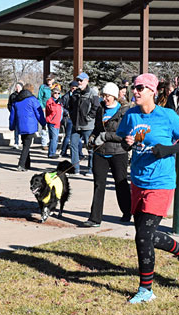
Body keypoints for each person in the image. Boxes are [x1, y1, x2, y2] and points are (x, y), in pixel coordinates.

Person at [116, 73, 179, 304]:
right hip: (138, 181)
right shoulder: (131, 115)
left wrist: (166, 150)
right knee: (144, 235)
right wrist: (127, 143)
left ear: (153, 91)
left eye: (141, 88)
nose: (136, 91)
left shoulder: (168, 116)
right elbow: (124, 140)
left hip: (161, 182)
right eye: (134, 87)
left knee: (143, 236)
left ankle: (146, 290)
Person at [82, 82, 132, 228]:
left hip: (118, 152)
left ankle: (127, 212)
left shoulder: (125, 112)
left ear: (115, 96)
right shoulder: (100, 109)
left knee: (120, 183)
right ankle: (95, 218)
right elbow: (97, 130)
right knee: (98, 184)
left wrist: (105, 136)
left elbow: (125, 135)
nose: (105, 99)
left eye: (108, 96)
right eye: (103, 96)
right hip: (100, 152)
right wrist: (91, 139)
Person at [68, 72, 100, 176]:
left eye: (81, 80)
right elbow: (71, 106)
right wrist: (72, 116)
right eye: (78, 80)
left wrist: (89, 117)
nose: (79, 82)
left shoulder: (92, 93)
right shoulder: (75, 93)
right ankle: (75, 169)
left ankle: (91, 169)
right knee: (73, 145)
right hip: (75, 125)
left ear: (87, 81)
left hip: (88, 125)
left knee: (90, 147)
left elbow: (96, 107)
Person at [9, 83, 45, 171]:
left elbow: (12, 116)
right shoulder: (32, 99)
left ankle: (26, 164)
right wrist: (43, 123)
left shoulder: (16, 101)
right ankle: (21, 165)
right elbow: (38, 112)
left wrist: (12, 126)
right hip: (30, 126)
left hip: (20, 126)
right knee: (26, 147)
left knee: (26, 145)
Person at [38, 73, 61, 150]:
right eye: (48, 79)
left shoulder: (57, 87)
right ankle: (44, 144)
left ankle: (52, 144)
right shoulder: (43, 87)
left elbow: (59, 98)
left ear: (53, 80)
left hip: (54, 111)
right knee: (45, 127)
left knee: (53, 128)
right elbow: (39, 98)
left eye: (50, 79)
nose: (49, 81)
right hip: (45, 110)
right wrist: (42, 107)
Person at [60, 81, 79, 157]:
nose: (74, 88)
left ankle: (75, 152)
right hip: (69, 118)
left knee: (76, 137)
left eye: (75, 87)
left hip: (76, 118)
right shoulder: (66, 96)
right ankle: (63, 151)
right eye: (72, 87)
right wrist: (67, 113)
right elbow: (62, 107)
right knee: (68, 136)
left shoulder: (78, 95)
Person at [45, 87, 63, 159]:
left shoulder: (58, 101)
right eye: (55, 93)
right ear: (52, 93)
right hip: (52, 122)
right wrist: (56, 103)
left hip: (57, 122)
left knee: (55, 139)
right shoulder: (50, 101)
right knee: (54, 139)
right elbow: (52, 109)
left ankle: (52, 152)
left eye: (58, 93)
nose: (57, 94)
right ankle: (52, 153)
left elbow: (61, 111)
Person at [8, 82, 23, 149]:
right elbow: (9, 104)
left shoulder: (23, 95)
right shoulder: (12, 95)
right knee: (16, 129)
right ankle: (16, 143)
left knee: (22, 129)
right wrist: (12, 111)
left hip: (22, 115)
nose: (17, 88)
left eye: (18, 87)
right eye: (16, 87)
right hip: (15, 115)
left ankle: (23, 142)